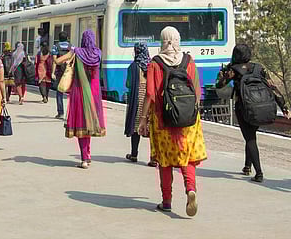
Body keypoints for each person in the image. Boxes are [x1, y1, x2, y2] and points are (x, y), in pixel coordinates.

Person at [138, 26, 206, 217]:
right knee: (188, 158)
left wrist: (143, 119)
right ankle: (190, 189)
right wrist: (192, 111)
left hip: (163, 119)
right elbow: (197, 90)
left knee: (165, 161)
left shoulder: (155, 64)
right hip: (189, 120)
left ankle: (166, 201)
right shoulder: (189, 61)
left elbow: (150, 94)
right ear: (178, 40)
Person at [216, 44, 290, 182]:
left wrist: (224, 71)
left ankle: (259, 173)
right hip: (260, 107)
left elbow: (219, 84)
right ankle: (247, 166)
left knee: (250, 138)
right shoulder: (259, 68)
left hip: (243, 108)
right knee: (250, 135)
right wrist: (283, 106)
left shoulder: (234, 70)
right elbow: (272, 87)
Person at [55, 30, 106, 169]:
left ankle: (84, 158)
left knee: (81, 124)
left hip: (80, 92)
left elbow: (58, 61)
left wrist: (69, 53)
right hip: (95, 93)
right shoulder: (98, 53)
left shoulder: (77, 52)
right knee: (89, 124)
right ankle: (88, 156)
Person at [124, 42, 156, 167]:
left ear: (136, 51)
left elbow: (128, 84)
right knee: (151, 128)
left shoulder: (133, 67)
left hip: (137, 100)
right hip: (150, 100)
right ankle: (153, 158)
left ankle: (134, 154)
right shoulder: (152, 66)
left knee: (136, 127)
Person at [52, 31, 71, 119]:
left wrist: (53, 72)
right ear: (67, 38)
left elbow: (54, 61)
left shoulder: (55, 47)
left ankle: (60, 113)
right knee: (71, 92)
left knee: (59, 92)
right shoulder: (72, 47)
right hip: (69, 71)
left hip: (60, 71)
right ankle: (71, 112)